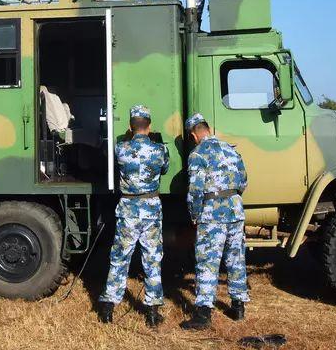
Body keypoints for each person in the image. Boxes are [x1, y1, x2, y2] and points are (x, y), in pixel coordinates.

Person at [96, 105, 170, 327]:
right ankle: (152, 312)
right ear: (149, 126)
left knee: (119, 258)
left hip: (128, 207)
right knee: (152, 259)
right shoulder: (159, 150)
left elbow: (105, 154)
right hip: (151, 208)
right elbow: (164, 169)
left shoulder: (120, 149)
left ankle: (108, 308)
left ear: (130, 126)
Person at [180, 112, 249, 330]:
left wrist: (194, 214)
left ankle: (203, 314)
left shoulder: (197, 154)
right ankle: (238, 307)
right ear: (208, 129)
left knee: (208, 262)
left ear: (193, 135)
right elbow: (244, 180)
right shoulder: (231, 149)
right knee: (235, 259)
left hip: (212, 215)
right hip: (235, 211)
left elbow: (195, 190)